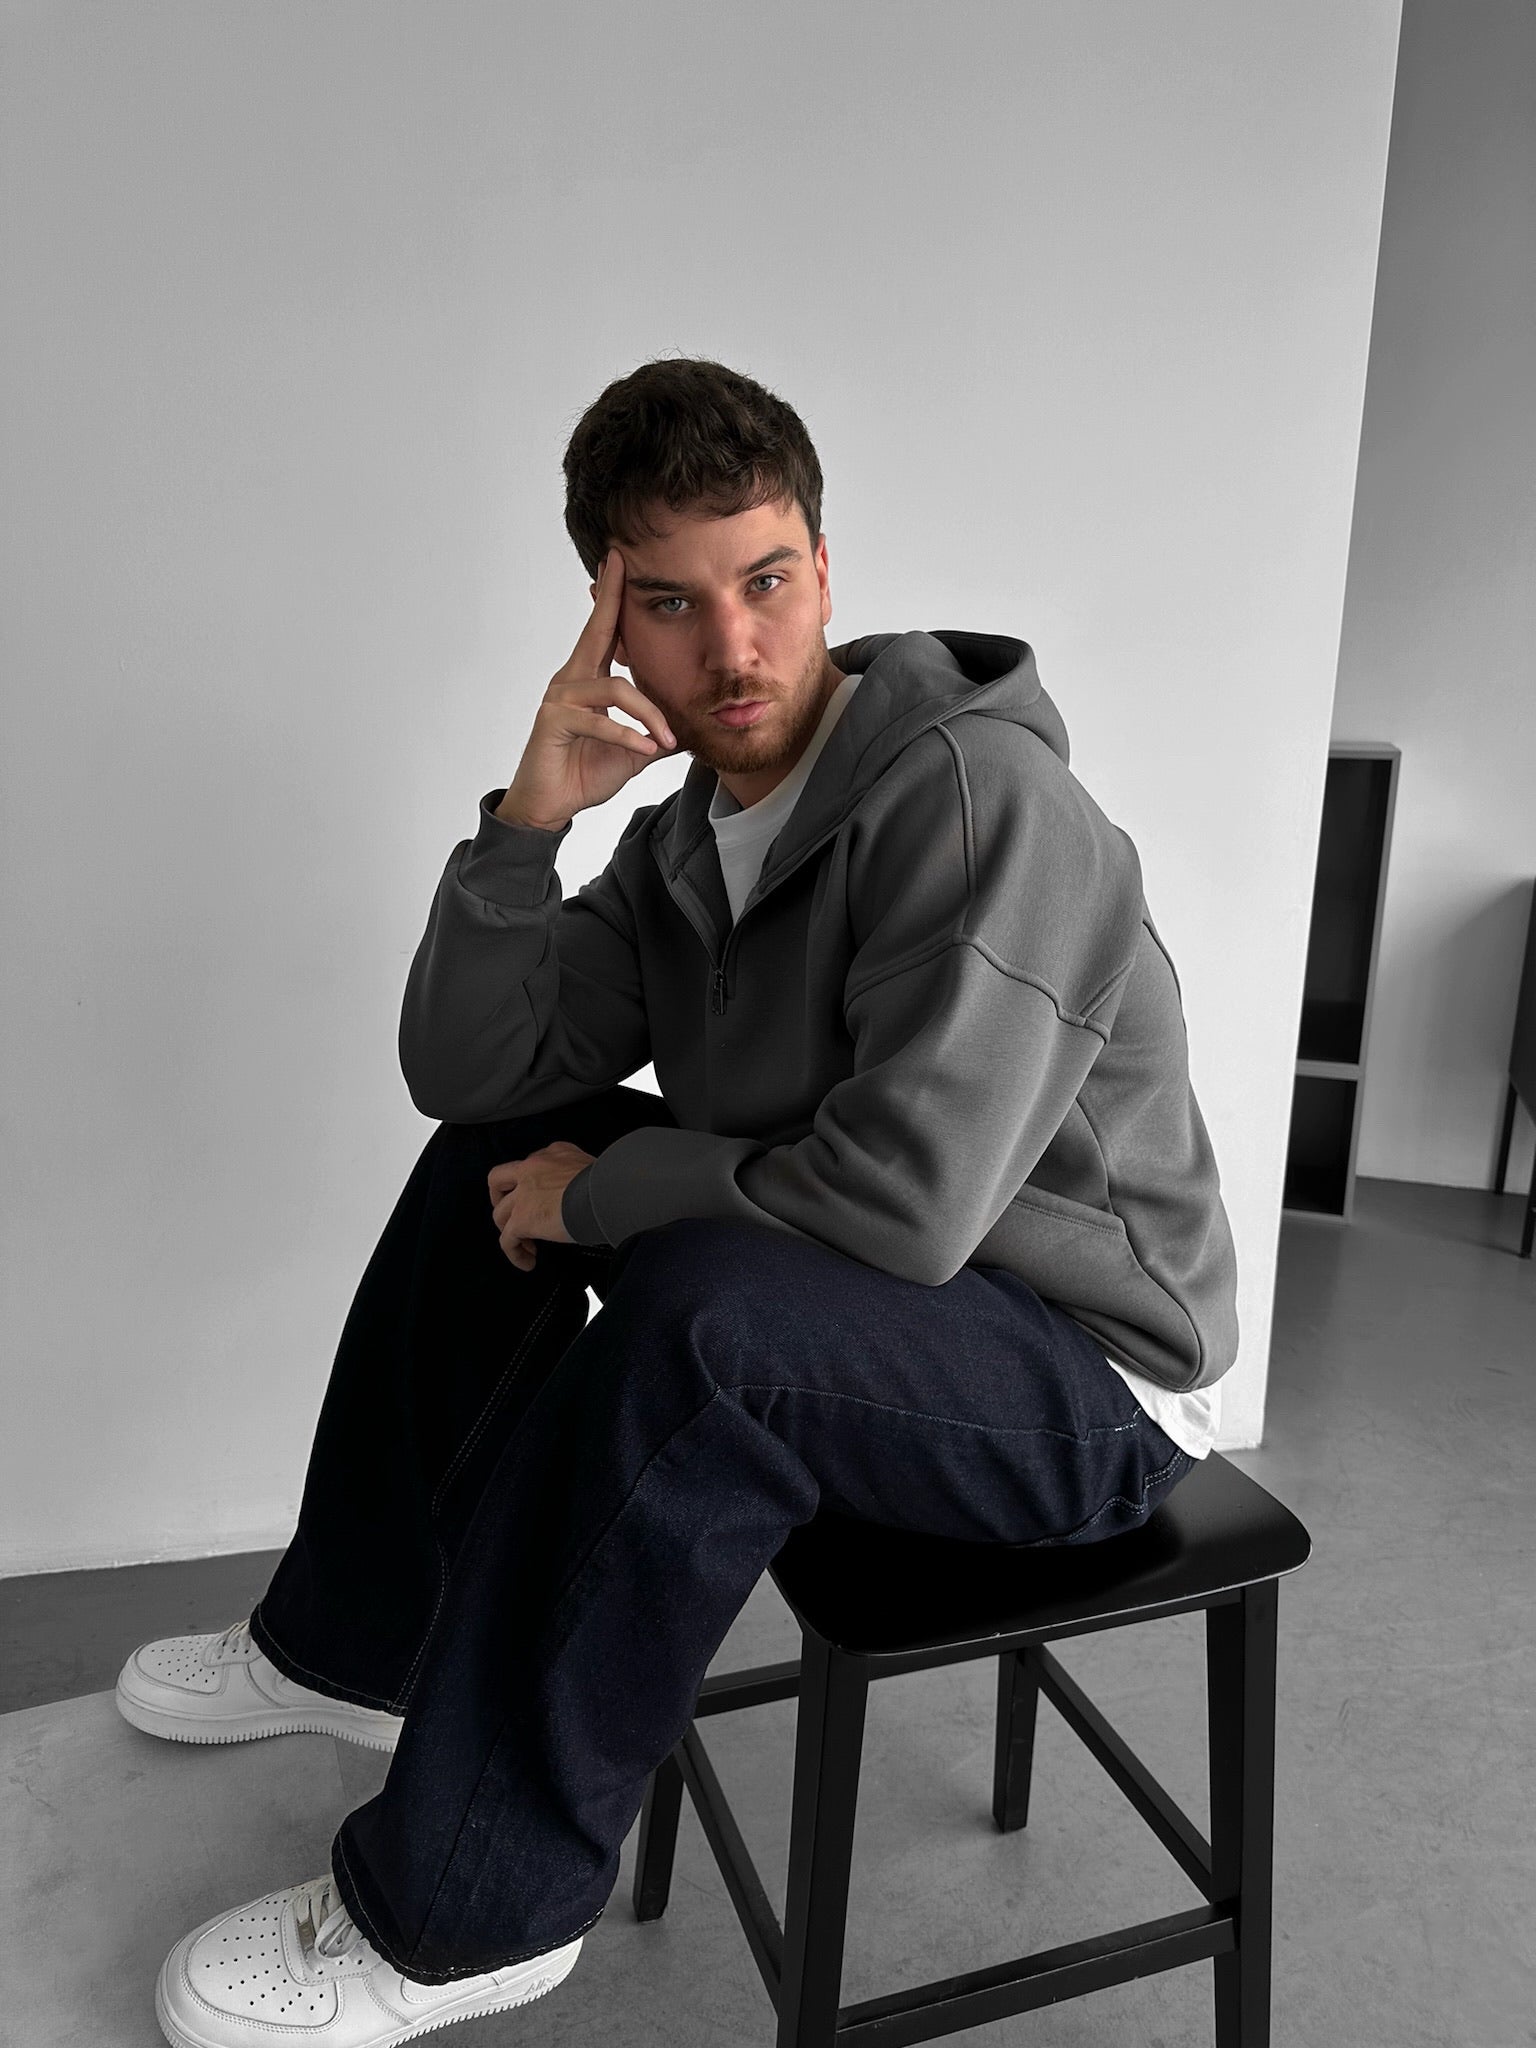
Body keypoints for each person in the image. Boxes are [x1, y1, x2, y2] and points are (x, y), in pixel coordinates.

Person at [119, 356, 1239, 2048]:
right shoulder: (692, 841)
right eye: (673, 603)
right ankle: (350, 1646)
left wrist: (608, 1201)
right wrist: (527, 827)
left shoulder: (980, 802)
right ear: (611, 623)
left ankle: (470, 1913)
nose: (735, 648)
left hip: (1088, 1381)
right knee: (500, 1158)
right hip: (882, 1308)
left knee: (696, 1322)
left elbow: (912, 1204)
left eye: (768, 580)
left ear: (826, 570)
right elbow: (472, 1071)